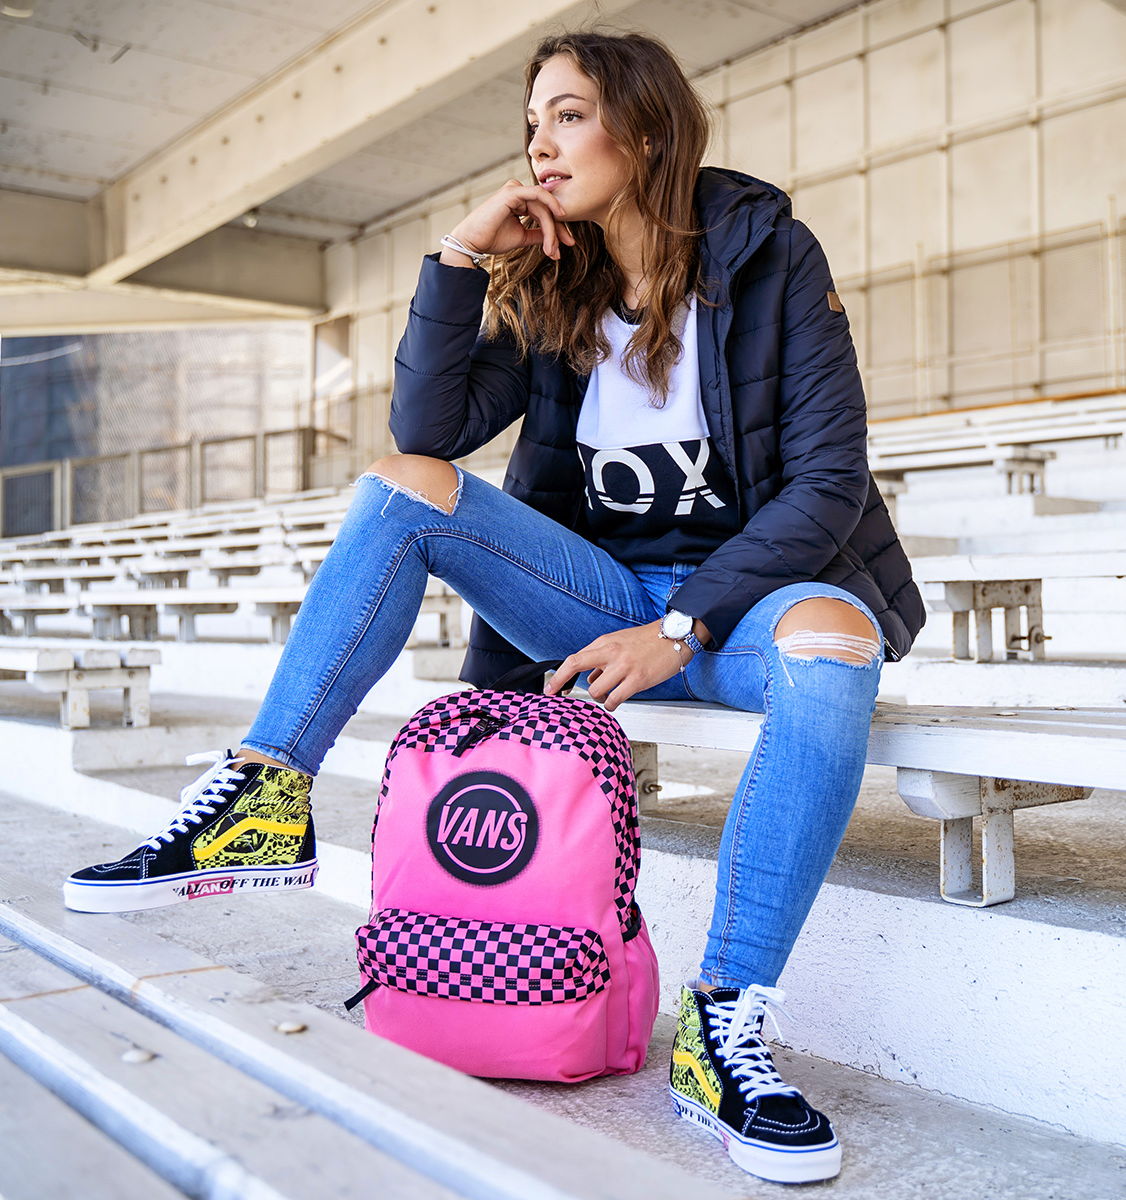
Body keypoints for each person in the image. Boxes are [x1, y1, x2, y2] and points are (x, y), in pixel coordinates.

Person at [64, 30, 924, 1185]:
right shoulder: (559, 284)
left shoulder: (769, 256)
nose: (541, 145)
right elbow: (426, 434)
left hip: (741, 607)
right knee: (402, 489)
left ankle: (721, 1027)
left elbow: (827, 483)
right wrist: (460, 256)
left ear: (645, 129)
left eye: (568, 115)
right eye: (532, 124)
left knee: (837, 641)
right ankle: (262, 794)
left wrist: (680, 628)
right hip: (599, 597)